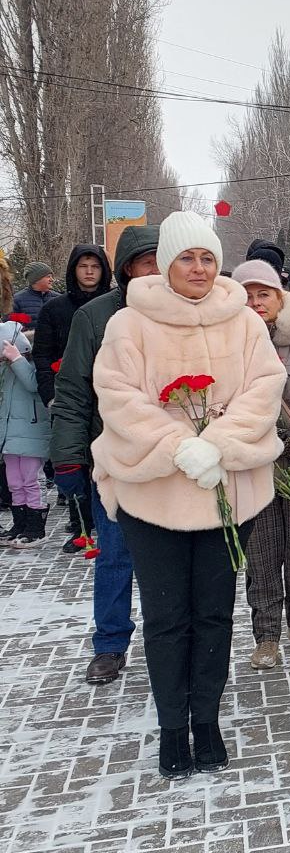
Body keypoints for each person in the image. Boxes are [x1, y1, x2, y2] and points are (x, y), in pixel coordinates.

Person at [91, 209, 286, 778]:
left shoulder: (245, 322)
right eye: (186, 258)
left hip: (228, 496)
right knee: (167, 616)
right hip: (153, 496)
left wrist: (218, 444)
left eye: (207, 257)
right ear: (166, 264)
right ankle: (173, 726)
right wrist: (180, 445)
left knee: (214, 615)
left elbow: (264, 387)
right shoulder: (130, 323)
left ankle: (207, 720)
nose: (198, 268)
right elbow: (118, 396)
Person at [49, 225, 160, 684]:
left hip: (171, 461)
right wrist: (68, 457)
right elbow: (73, 390)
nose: (154, 269)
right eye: (145, 261)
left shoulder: (178, 313)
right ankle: (111, 643)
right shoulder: (95, 317)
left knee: (169, 562)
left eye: (160, 259)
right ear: (127, 268)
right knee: (115, 556)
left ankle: (168, 638)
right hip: (114, 458)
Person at [232, 260, 290, 670]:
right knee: (263, 552)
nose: (255, 303)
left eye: (263, 294)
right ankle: (266, 633)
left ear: (279, 297)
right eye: (247, 296)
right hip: (253, 466)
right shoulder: (225, 341)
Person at [32, 244, 112, 551]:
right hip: (71, 396)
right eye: (83, 266)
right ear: (73, 270)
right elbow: (42, 354)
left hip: (107, 398)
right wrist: (51, 393)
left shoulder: (117, 305)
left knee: (104, 467)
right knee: (74, 467)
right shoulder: (55, 308)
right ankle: (82, 528)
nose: (89, 272)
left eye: (95, 266)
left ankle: (108, 526)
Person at [0, 314, 50, 547]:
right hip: (9, 434)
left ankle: (36, 526)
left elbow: (33, 384)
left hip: (31, 431)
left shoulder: (30, 362)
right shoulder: (5, 370)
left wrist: (17, 359)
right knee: (14, 482)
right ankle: (19, 523)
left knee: (30, 479)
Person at [13, 262, 56, 328]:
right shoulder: (16, 301)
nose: (52, 280)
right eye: (48, 277)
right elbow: (12, 330)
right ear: (36, 279)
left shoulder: (58, 298)